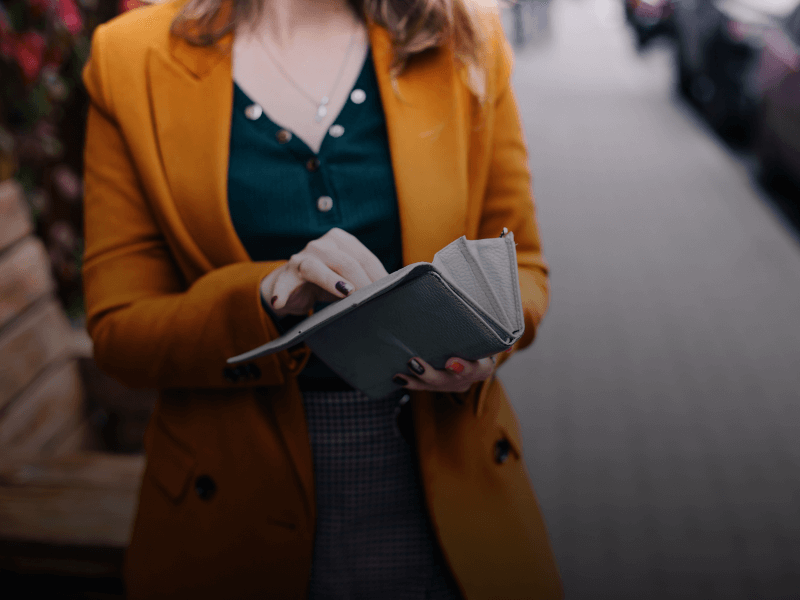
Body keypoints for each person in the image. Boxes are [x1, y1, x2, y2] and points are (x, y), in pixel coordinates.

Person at [81, 0, 563, 597]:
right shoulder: (129, 58)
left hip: (448, 491)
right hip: (229, 505)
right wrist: (262, 298)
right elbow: (119, 329)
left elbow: (523, 267)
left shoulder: (462, 37)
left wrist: (482, 344)